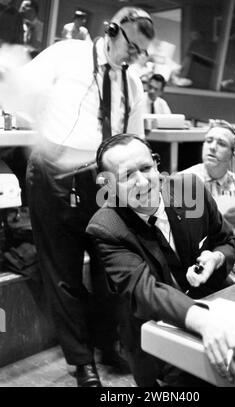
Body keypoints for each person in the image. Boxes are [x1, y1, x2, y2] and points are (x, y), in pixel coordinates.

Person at [0, 7, 154, 387]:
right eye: (131, 49)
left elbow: (135, 141)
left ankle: (108, 344)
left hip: (104, 182)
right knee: (63, 272)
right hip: (54, 177)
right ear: (113, 30)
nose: (133, 59)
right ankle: (82, 361)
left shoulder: (132, 85)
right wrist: (44, 133)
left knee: (111, 272)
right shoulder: (66, 53)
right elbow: (17, 90)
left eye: (140, 55)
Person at [87, 134, 235, 387]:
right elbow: (144, 291)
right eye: (127, 176)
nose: (142, 182)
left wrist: (215, 258)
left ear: (156, 164)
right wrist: (203, 321)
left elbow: (227, 241)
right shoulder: (105, 227)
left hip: (218, 310)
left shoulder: (190, 189)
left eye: (146, 168)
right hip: (156, 334)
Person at [181, 120, 235, 277]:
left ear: (234, 153)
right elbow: (182, 241)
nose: (212, 147)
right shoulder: (185, 181)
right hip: (205, 261)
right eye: (209, 141)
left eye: (221, 143)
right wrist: (217, 214)